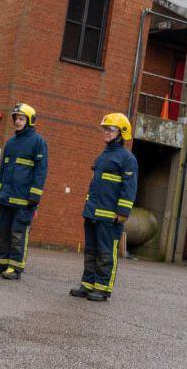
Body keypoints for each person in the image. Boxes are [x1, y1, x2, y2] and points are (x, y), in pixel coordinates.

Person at [70, 113, 138, 302]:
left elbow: (129, 187)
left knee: (106, 252)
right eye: (105, 128)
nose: (106, 132)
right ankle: (87, 284)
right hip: (93, 213)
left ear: (121, 133)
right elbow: (94, 184)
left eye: (110, 129)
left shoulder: (127, 158)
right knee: (91, 250)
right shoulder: (103, 156)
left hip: (110, 217)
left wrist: (123, 212)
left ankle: (103, 288)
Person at [0, 103, 47, 280]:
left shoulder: (38, 142)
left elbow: (41, 170)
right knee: (3, 231)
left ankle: (16, 266)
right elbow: (3, 169)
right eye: (16, 119)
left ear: (29, 121)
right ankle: (2, 262)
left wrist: (35, 194)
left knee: (18, 232)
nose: (17, 122)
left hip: (24, 199)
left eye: (21, 119)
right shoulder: (11, 142)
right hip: (7, 197)